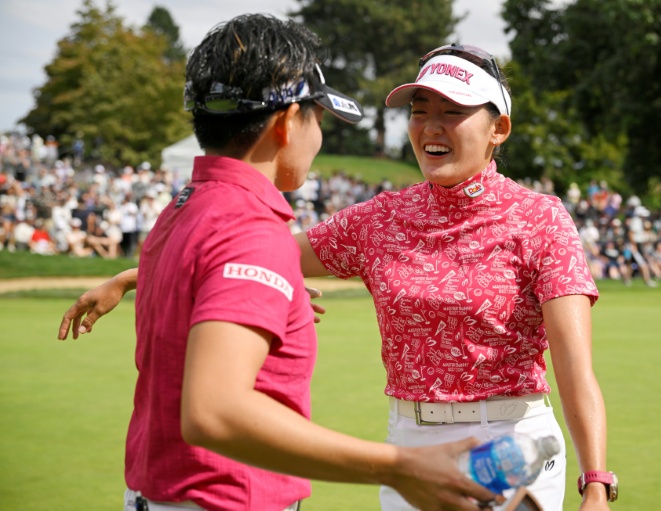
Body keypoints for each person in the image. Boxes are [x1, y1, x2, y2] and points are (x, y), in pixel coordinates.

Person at [61, 42, 614, 511]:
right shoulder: (382, 218)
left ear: (499, 128)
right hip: (410, 437)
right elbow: (244, 258)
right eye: (420, 110)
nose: (431, 126)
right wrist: (133, 275)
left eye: (453, 111)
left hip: (510, 441)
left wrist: (595, 480)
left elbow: (574, 365)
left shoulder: (540, 218)